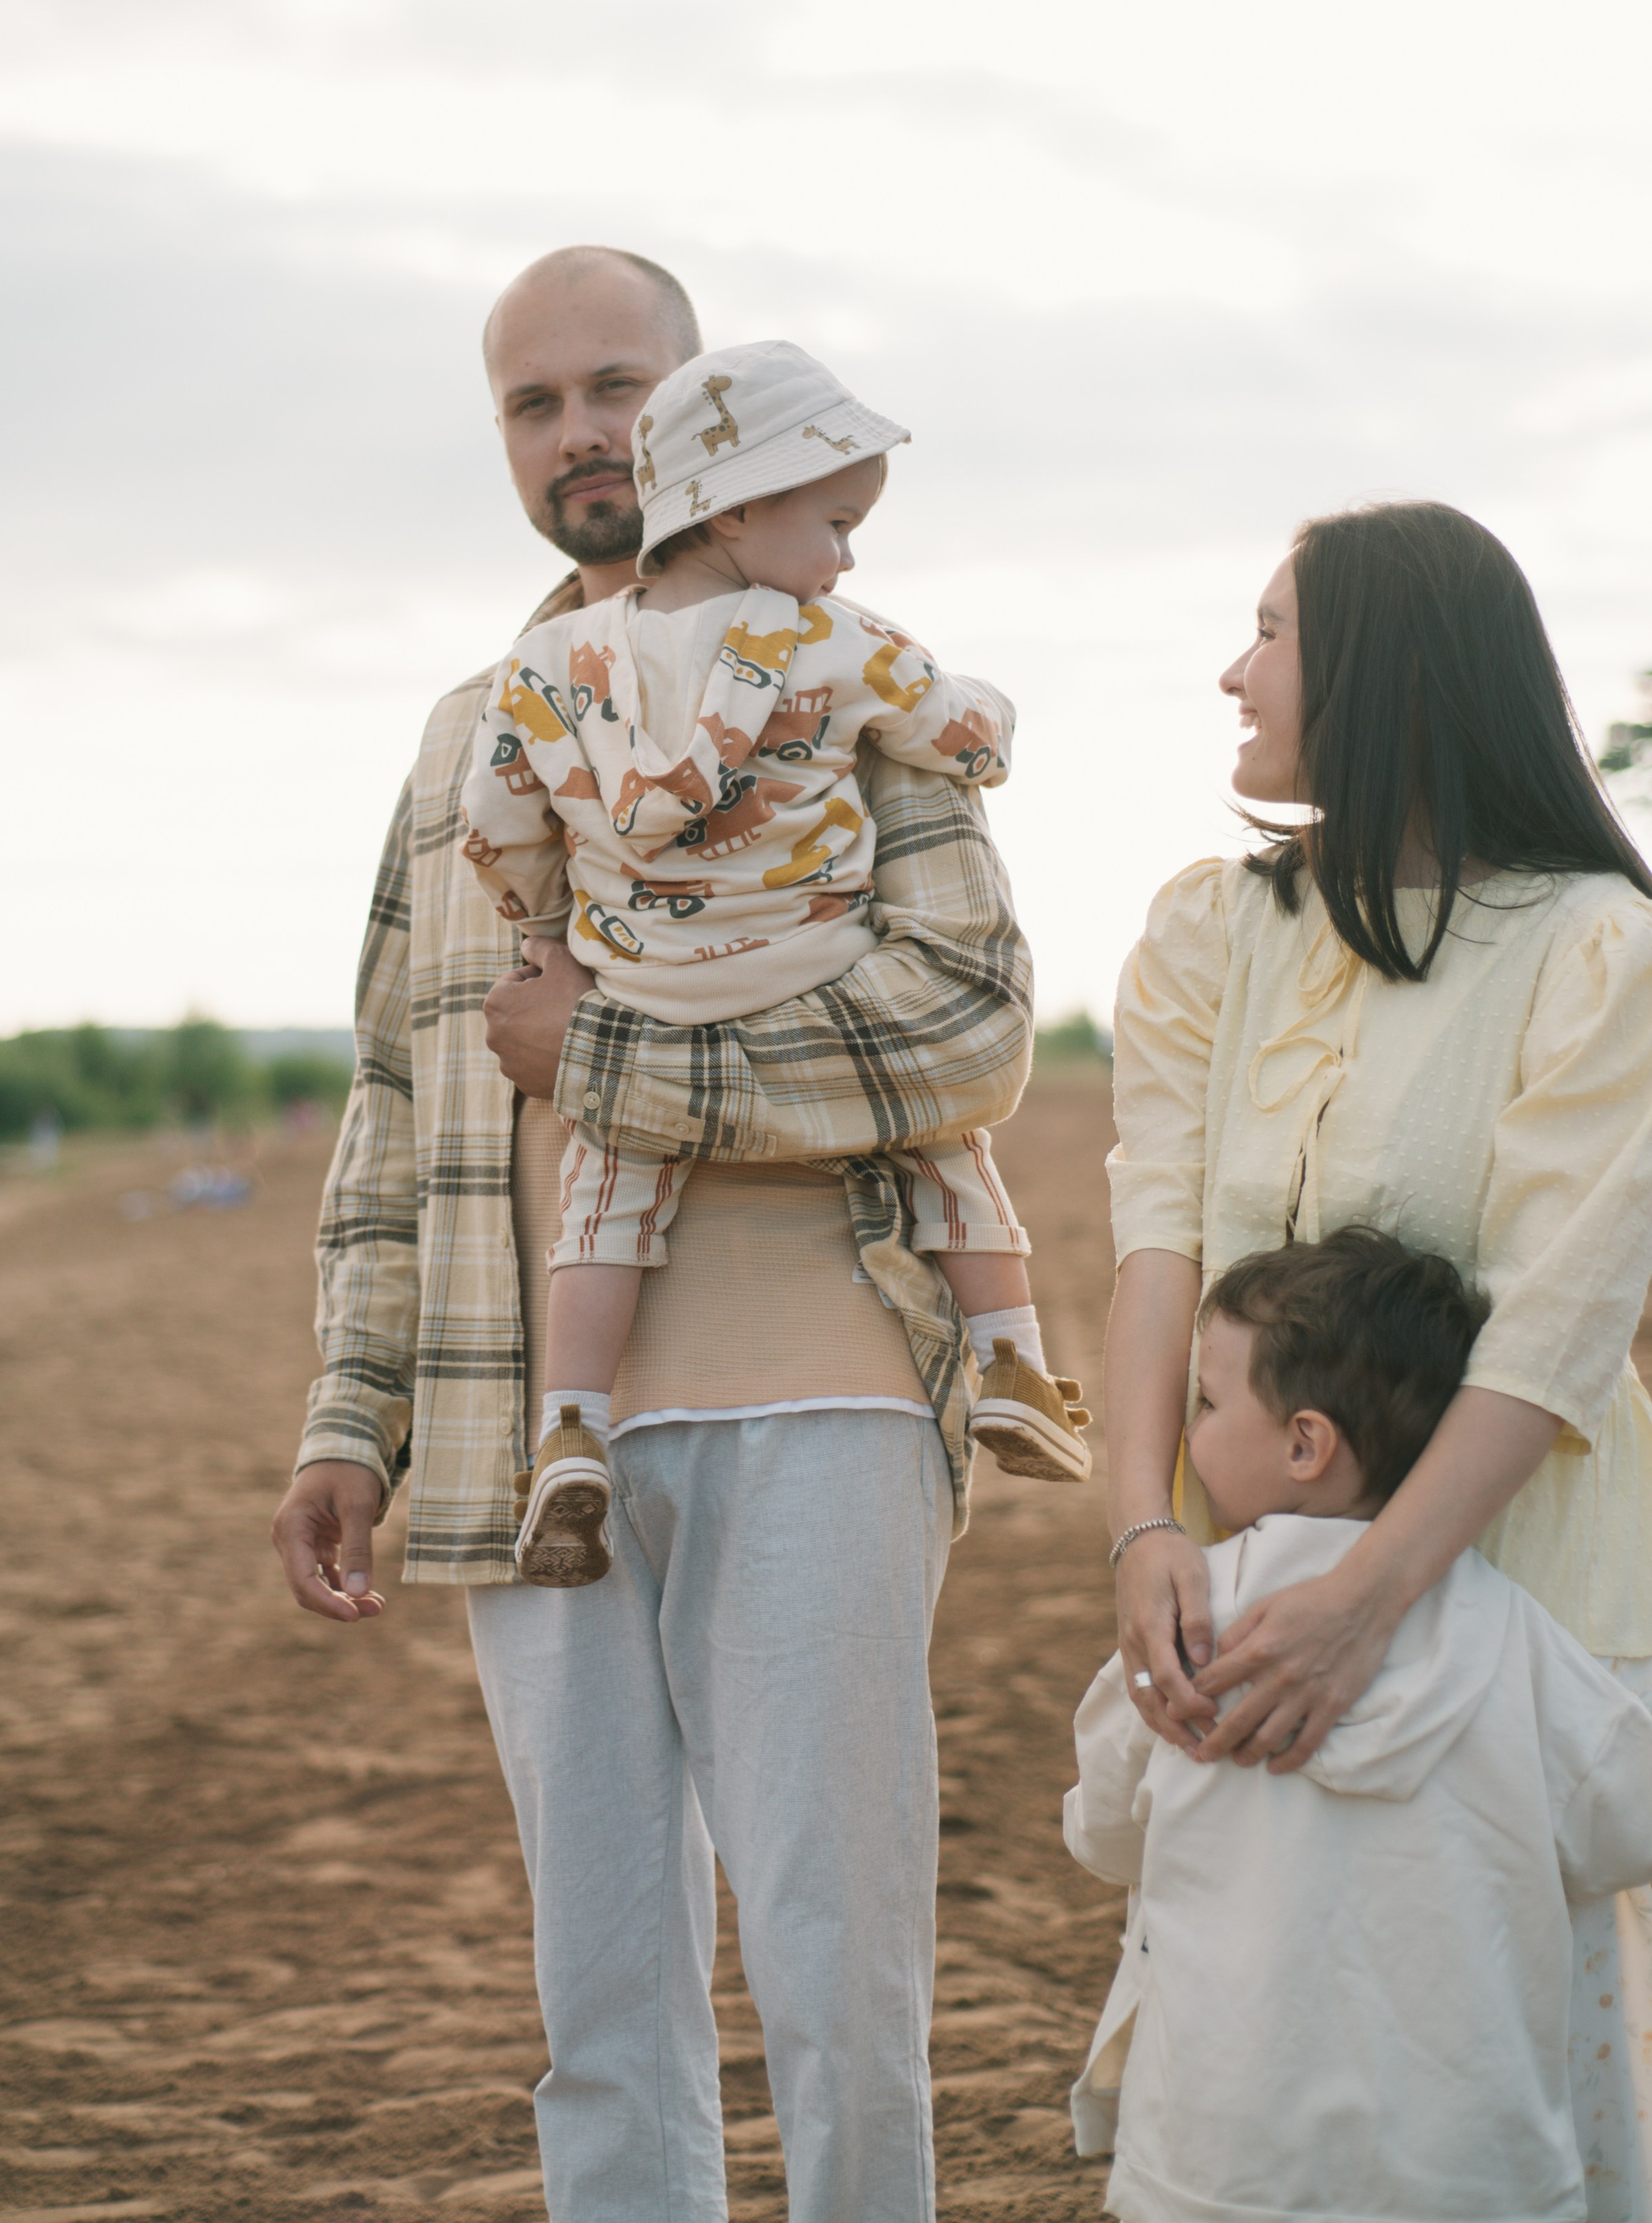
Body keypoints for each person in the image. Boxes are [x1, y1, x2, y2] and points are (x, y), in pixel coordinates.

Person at [270, 245, 1038, 2223]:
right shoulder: (470, 737)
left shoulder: (854, 663)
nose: (579, 433)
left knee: (834, 1967)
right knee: (598, 1997)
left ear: (708, 402)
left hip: (830, 1397)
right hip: (534, 1442)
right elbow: (395, 1103)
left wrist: (609, 1057)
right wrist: (348, 1416)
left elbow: (972, 1027)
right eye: (532, 404)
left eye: (616, 384)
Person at [1100, 500, 1652, 2219]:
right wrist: (1137, 1524)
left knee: (1498, 2056)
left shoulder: (1597, 946)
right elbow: (1154, 1241)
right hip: (1242, 1578)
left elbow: (1558, 1316)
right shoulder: (1210, 932)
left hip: (1522, 1590)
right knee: (1254, 2018)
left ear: (1381, 666)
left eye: (1266, 631)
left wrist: (1379, 1595)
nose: (1230, 672)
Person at [460, 336, 1090, 1583]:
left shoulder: (544, 668)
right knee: (945, 1147)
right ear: (740, 508)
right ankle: (1012, 1355)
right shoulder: (832, 638)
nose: (849, 554)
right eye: (840, 522)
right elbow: (965, 739)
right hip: (811, 972)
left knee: (602, 1207)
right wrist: (997, 705)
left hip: (638, 992)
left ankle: (571, 1431)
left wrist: (545, 930)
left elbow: (496, 820)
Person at [1066, 1227, 1652, 2223]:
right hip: (1467, 2169)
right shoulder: (1518, 1640)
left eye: (1208, 1404)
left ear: (1305, 1443)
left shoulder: (1183, 1633)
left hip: (1221, 2162)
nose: (1189, 1430)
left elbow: (1105, 1833)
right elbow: (1625, 1826)